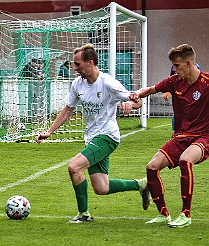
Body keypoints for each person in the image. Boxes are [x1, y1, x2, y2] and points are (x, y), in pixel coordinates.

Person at [35, 44, 151, 223]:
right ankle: (141, 184)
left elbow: (137, 102)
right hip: (92, 138)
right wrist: (50, 131)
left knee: (74, 167)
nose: (75, 68)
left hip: (107, 137)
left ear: (90, 63)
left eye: (77, 64)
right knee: (101, 188)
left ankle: (84, 214)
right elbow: (68, 110)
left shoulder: (107, 83)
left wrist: (130, 104)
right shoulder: (77, 84)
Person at [131, 44, 209, 228]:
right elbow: (150, 89)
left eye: (177, 65)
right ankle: (163, 213)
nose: (174, 69)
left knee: (185, 160)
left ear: (189, 63)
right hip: (180, 138)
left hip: (203, 137)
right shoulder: (174, 82)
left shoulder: (206, 83)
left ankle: (185, 214)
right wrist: (135, 95)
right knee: (152, 167)